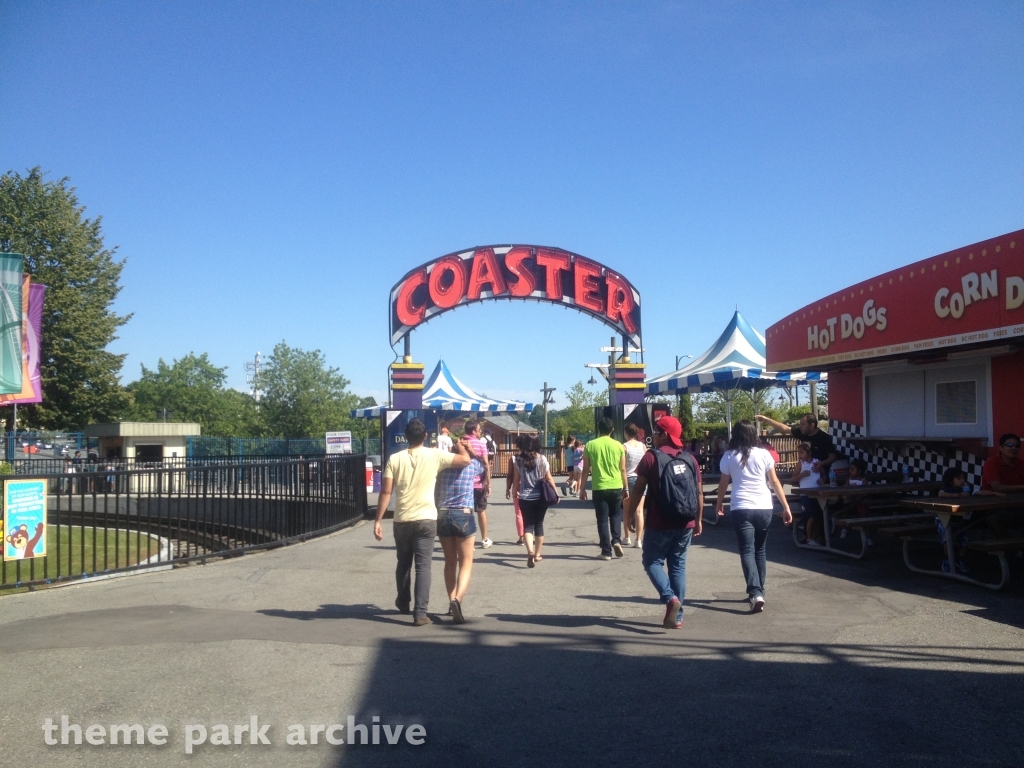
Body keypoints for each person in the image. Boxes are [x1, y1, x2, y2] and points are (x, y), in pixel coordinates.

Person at [374, 418, 471, 626]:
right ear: (425, 436)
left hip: (402, 518)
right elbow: (465, 461)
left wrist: (378, 520)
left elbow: (386, 491)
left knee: (403, 562)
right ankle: (420, 613)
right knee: (423, 566)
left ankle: (403, 601)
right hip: (426, 517)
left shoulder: (394, 459)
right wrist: (460, 446)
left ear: (406, 437)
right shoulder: (434, 455)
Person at [625, 416, 702, 629]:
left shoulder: (652, 458)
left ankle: (670, 599)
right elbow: (698, 492)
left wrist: (631, 514)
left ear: (665, 435)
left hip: (660, 521)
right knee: (678, 565)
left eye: (656, 433)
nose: (653, 437)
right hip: (685, 520)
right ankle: (678, 617)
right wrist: (698, 518)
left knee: (652, 561)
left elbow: (638, 488)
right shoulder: (689, 458)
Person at [715, 420, 793, 613]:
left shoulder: (729, 456)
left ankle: (755, 592)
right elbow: (774, 482)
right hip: (764, 506)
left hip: (741, 507)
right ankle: (760, 591)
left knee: (747, 551)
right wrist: (786, 507)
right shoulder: (764, 454)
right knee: (760, 550)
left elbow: (723, 484)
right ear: (754, 434)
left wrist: (719, 503)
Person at [435, 436, 488, 624]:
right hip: (463, 514)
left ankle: (451, 601)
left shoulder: (442, 465)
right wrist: (470, 450)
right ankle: (458, 599)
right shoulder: (472, 464)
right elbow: (484, 465)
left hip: (443, 513)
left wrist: (455, 448)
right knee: (466, 562)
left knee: (450, 562)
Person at [579, 417, 628, 560]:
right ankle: (617, 540)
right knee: (616, 515)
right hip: (616, 485)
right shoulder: (619, 446)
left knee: (602, 519)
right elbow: (623, 469)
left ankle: (606, 551)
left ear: (598, 429)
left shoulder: (590, 445)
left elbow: (586, 469)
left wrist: (582, 489)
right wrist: (626, 488)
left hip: (599, 486)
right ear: (612, 430)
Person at [511, 435, 558, 567]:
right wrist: (556, 492)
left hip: (525, 497)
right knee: (539, 525)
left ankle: (530, 551)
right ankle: (537, 555)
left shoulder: (518, 460)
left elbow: (516, 479)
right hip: (540, 497)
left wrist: (514, 491)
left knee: (528, 526)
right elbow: (548, 478)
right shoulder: (542, 459)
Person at [756, 413, 840, 482]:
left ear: (812, 425)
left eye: (803, 424)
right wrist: (766, 420)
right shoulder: (802, 433)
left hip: (821, 477)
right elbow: (785, 428)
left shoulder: (824, 438)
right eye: (800, 424)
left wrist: (821, 464)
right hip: (804, 477)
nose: (800, 426)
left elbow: (832, 457)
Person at [980, 433, 1024, 539]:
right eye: (1009, 445)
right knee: (994, 519)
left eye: (1017, 446)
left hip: (1016, 505)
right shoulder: (992, 463)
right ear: (1001, 448)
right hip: (994, 506)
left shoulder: (1021, 464)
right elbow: (997, 487)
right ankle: (1009, 551)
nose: (1013, 448)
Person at [464, 419, 493, 548]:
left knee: (467, 512)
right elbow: (486, 464)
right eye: (479, 429)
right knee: (481, 511)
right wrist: (489, 483)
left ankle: (467, 541)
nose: (481, 431)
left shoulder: (460, 443)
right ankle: (484, 539)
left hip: (464, 484)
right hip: (479, 484)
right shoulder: (481, 445)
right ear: (474, 431)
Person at [792, 442, 824, 546]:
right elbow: (793, 479)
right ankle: (809, 538)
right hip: (805, 494)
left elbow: (824, 475)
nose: (799, 455)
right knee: (811, 515)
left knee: (818, 515)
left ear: (809, 452)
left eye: (802, 452)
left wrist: (822, 480)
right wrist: (801, 475)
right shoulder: (801, 464)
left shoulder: (817, 462)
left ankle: (815, 536)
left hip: (817, 492)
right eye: (799, 452)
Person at [622, 423, 647, 547]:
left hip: (628, 478)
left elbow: (622, 467)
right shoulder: (643, 446)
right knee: (639, 511)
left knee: (626, 510)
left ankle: (627, 537)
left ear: (626, 433)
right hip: (641, 479)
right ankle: (638, 540)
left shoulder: (624, 446)